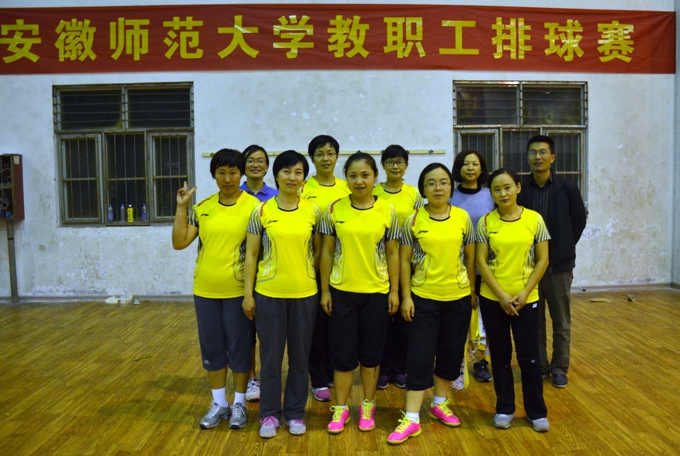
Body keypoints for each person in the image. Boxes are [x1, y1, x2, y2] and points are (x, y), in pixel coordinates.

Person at [171, 148, 259, 431]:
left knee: (240, 348)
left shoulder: (254, 207)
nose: (227, 178)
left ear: (241, 174)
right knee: (212, 348)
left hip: (237, 291)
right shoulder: (203, 208)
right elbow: (179, 242)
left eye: (233, 172)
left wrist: (250, 294)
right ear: (214, 175)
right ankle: (220, 403)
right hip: (205, 290)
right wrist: (182, 207)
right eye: (221, 173)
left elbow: (256, 254)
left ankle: (239, 404)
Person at [387, 163, 474, 445]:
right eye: (432, 183)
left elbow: (470, 258)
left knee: (450, 353)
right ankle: (412, 418)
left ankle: (439, 403)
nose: (438, 188)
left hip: (457, 297)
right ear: (423, 188)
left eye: (444, 182)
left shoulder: (462, 218)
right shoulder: (412, 220)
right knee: (419, 356)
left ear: (451, 186)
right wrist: (406, 296)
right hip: (423, 298)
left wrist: (471, 292)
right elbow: (404, 261)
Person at [319, 151, 400, 434]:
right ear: (346, 178)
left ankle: (368, 404)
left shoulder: (388, 210)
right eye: (353, 175)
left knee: (371, 355)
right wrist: (325, 290)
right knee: (342, 355)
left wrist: (394, 291)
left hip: (377, 293)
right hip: (342, 293)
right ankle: (340, 408)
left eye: (365, 175)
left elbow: (393, 253)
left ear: (375, 177)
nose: (359, 181)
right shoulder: (334, 209)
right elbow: (327, 252)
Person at [242, 150, 322, 438]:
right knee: (271, 358)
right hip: (268, 294)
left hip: (305, 294)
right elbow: (251, 255)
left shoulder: (314, 211)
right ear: (276, 175)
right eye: (287, 171)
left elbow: (319, 253)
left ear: (304, 178)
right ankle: (269, 414)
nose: (292, 177)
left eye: (298, 172)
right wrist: (248, 295)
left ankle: (295, 413)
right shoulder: (261, 211)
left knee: (300, 359)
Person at [476, 168, 551, 432]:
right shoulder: (486, 222)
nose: (503, 193)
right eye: (496, 189)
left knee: (529, 357)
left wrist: (525, 292)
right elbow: (481, 261)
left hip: (527, 299)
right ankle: (504, 408)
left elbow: (543, 259)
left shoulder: (534, 219)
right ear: (491, 193)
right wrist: (501, 296)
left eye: (507, 187)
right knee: (500, 356)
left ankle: (536, 412)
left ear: (518, 187)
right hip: (493, 299)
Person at [517, 135, 587, 389]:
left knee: (561, 320)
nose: (538, 157)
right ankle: (539, 365)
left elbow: (578, 223)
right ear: (528, 157)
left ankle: (559, 368)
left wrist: (562, 247)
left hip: (559, 266)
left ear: (553, 157)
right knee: (533, 321)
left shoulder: (567, 189)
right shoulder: (521, 190)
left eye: (543, 152)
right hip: (528, 267)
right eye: (533, 152)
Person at [300, 134, 351, 403]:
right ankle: (318, 377)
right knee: (317, 327)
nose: (326, 158)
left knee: (338, 324)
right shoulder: (303, 188)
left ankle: (333, 371)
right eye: (320, 154)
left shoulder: (347, 188)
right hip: (310, 267)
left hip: (342, 268)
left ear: (337, 157)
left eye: (330, 153)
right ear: (312, 158)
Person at [372, 145, 424, 390]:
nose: (395, 166)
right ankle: (383, 370)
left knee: (405, 320)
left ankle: (400, 368)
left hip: (407, 263)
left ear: (406, 166)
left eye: (400, 162)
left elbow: (419, 226)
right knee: (382, 320)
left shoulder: (414, 194)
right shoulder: (373, 192)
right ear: (383, 165)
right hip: (379, 264)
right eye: (390, 161)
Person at [449, 150, 495, 387]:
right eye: (465, 164)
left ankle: (480, 362)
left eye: (475, 164)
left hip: (486, 268)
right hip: (457, 267)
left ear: (481, 168)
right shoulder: (450, 195)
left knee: (483, 319)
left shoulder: (490, 195)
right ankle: (455, 365)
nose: (470, 168)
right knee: (459, 318)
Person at [239, 144, 277, 403]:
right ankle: (252, 377)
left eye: (261, 160)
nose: (256, 164)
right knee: (247, 331)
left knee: (269, 332)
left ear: (267, 166)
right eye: (250, 160)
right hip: (241, 270)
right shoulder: (235, 194)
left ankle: (269, 376)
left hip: (270, 272)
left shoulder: (276, 196)